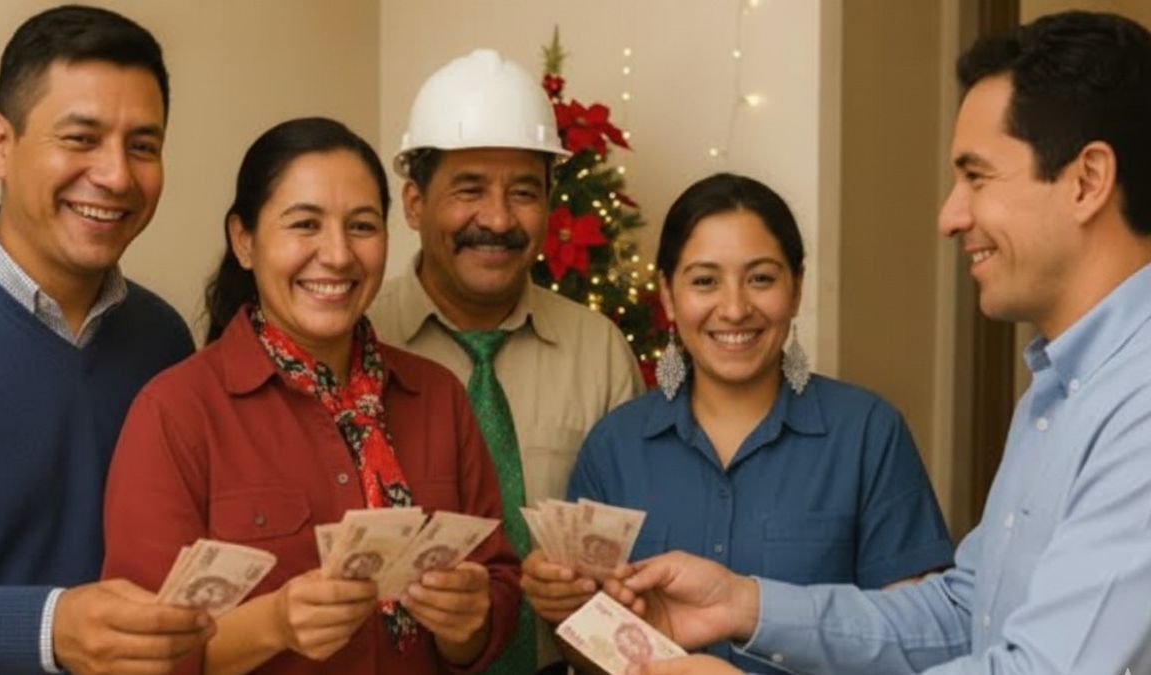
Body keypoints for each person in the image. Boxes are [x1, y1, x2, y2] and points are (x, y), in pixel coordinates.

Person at [609, 10, 1151, 675]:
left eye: (977, 177)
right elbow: (964, 612)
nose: (949, 216)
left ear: (1088, 181)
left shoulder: (1140, 400)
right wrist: (744, 604)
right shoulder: (1057, 390)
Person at [102, 117, 521, 674]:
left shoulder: (438, 397)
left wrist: (468, 621)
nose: (339, 255)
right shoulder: (176, 412)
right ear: (244, 241)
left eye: (362, 226)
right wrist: (272, 625)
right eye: (305, 224)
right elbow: (136, 653)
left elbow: (496, 595)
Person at [522, 174, 952, 674]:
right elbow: (588, 648)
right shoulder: (614, 445)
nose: (734, 309)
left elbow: (918, 641)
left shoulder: (868, 434)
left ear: (796, 289)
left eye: (761, 279)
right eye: (705, 281)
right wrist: (566, 606)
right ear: (668, 295)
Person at [0, 5, 212, 673]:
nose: (117, 175)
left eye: (143, 146)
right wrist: (50, 627)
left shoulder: (162, 338)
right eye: (80, 138)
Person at [368, 48, 645, 674]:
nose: (497, 219)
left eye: (523, 193)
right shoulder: (362, 340)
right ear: (413, 203)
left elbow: (633, 558)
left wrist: (591, 592)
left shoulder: (599, 352)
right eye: (469, 190)